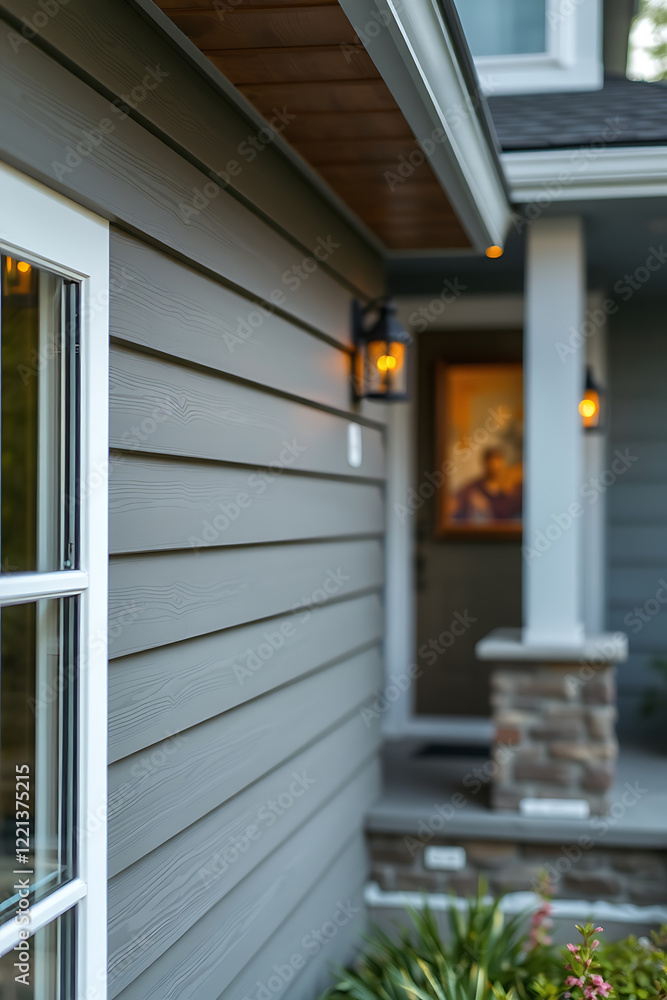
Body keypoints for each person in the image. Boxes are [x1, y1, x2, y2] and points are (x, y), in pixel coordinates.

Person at [451, 446, 522, 523]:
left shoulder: (510, 492)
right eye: (492, 463)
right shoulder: (471, 490)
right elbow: (454, 508)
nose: (495, 466)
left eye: (499, 462)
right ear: (485, 463)